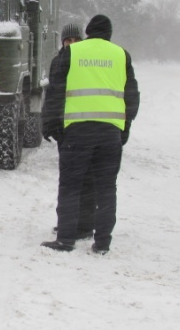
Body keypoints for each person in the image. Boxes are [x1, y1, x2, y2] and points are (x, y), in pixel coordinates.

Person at [41, 14, 140, 255]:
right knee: (106, 187)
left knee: (71, 185)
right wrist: (123, 131)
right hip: (109, 133)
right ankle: (102, 243)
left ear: (88, 31)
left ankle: (65, 240)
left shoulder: (72, 53)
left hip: (77, 131)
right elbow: (132, 97)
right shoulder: (121, 55)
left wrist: (51, 125)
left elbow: (56, 91)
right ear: (109, 33)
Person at [44, 23, 96, 241]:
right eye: (68, 40)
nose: (72, 44)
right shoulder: (58, 62)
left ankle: (82, 225)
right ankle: (69, 223)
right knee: (73, 180)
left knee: (81, 180)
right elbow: (53, 95)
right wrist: (50, 123)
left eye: (76, 40)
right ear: (63, 42)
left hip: (81, 127)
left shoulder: (83, 62)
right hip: (66, 128)